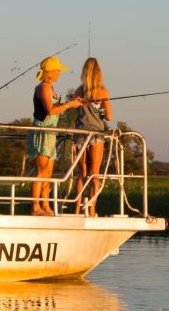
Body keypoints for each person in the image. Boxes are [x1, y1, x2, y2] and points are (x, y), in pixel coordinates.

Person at [26, 56, 83, 216]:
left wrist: (72, 102)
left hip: (51, 132)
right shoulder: (43, 88)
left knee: (48, 173)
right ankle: (35, 206)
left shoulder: (50, 87)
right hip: (42, 131)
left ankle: (45, 205)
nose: (60, 73)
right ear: (50, 72)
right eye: (58, 70)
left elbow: (56, 108)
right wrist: (69, 105)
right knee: (41, 171)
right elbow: (51, 110)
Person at [73, 57, 113, 217]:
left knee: (82, 174)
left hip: (80, 135)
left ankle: (76, 209)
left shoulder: (78, 91)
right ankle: (91, 209)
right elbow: (109, 116)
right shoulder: (102, 92)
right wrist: (99, 110)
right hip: (96, 135)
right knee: (94, 174)